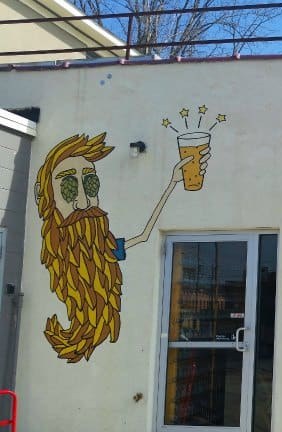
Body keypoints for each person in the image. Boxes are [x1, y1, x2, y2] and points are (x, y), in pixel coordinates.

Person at [34, 132, 209, 363]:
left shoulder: (102, 250)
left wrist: (172, 182)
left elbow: (144, 236)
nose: (84, 202)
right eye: (68, 187)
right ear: (43, 195)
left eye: (91, 183)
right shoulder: (62, 258)